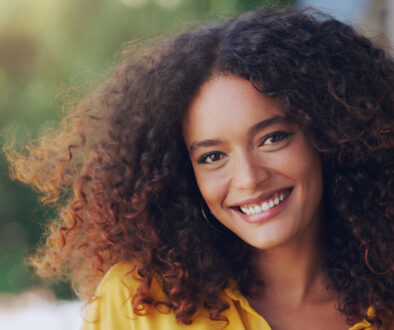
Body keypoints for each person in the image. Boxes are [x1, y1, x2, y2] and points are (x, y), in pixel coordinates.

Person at [4, 6, 393, 330]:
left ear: (329, 134)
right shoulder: (139, 308)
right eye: (212, 157)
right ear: (183, 173)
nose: (249, 178)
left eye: (272, 138)